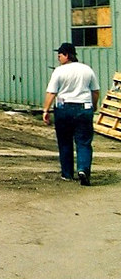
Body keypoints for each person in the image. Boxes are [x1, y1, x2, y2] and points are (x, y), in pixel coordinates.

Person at [42, 42, 100, 185]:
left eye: (60, 55)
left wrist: (45, 110)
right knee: (84, 142)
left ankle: (67, 173)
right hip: (84, 108)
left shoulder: (59, 71)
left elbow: (51, 92)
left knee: (65, 142)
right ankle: (83, 169)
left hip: (64, 109)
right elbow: (95, 91)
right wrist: (93, 106)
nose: (58, 58)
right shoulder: (87, 70)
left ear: (67, 55)